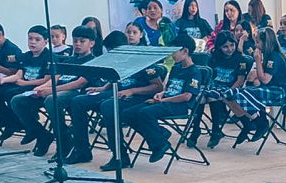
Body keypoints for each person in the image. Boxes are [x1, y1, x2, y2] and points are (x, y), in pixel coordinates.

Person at [66, 27, 165, 166]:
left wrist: (132, 91)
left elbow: (158, 87)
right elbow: (117, 79)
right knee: (78, 101)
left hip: (137, 95)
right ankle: (81, 150)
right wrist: (102, 88)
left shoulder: (143, 61)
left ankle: (120, 156)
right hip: (116, 91)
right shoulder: (118, 60)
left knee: (108, 107)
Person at [10, 26, 100, 157]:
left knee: (52, 100)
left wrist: (50, 90)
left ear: (91, 43)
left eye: (82, 41)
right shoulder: (69, 60)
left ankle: (64, 140)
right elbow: (56, 78)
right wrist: (41, 88)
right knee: (18, 100)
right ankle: (42, 134)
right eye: (75, 41)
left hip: (75, 92)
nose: (77, 44)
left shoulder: (93, 61)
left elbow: (79, 82)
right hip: (56, 89)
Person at [120, 35, 200, 167]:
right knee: (127, 113)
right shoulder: (176, 68)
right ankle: (160, 133)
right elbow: (169, 88)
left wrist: (163, 100)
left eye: (174, 51)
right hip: (166, 100)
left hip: (179, 105)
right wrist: (160, 94)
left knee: (145, 113)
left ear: (185, 51)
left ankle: (159, 144)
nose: (172, 55)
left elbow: (186, 96)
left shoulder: (194, 72)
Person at [0, 25, 52, 144]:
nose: (32, 42)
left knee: (12, 96)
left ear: (45, 41)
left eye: (37, 39)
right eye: (30, 39)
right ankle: (11, 123)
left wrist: (26, 83)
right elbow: (18, 75)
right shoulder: (26, 56)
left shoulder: (49, 57)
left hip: (36, 87)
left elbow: (46, 80)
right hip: (22, 85)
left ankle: (33, 128)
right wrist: (3, 80)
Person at [224, 26, 286, 143]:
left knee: (244, 93)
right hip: (268, 88)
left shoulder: (274, 57)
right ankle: (250, 122)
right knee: (230, 94)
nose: (256, 45)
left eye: (258, 42)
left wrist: (257, 60)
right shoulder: (268, 55)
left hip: (277, 91)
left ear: (266, 43)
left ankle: (261, 122)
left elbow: (265, 79)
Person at [187, 31, 251, 150]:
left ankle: (216, 129)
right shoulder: (213, 57)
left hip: (229, 88)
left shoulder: (240, 59)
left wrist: (229, 92)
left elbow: (240, 80)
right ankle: (195, 129)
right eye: (225, 46)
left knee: (213, 95)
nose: (229, 49)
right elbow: (207, 76)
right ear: (219, 47)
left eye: (232, 45)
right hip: (212, 85)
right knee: (200, 96)